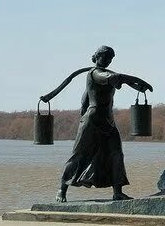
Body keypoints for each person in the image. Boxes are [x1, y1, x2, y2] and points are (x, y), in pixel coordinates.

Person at [40, 46, 153, 203]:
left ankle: (117, 192)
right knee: (78, 155)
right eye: (106, 57)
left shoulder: (106, 74)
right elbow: (117, 78)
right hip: (92, 120)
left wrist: (137, 86)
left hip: (108, 121)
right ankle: (62, 189)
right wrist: (138, 80)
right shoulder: (95, 73)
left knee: (116, 154)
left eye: (111, 58)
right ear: (98, 56)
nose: (108, 61)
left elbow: (111, 84)